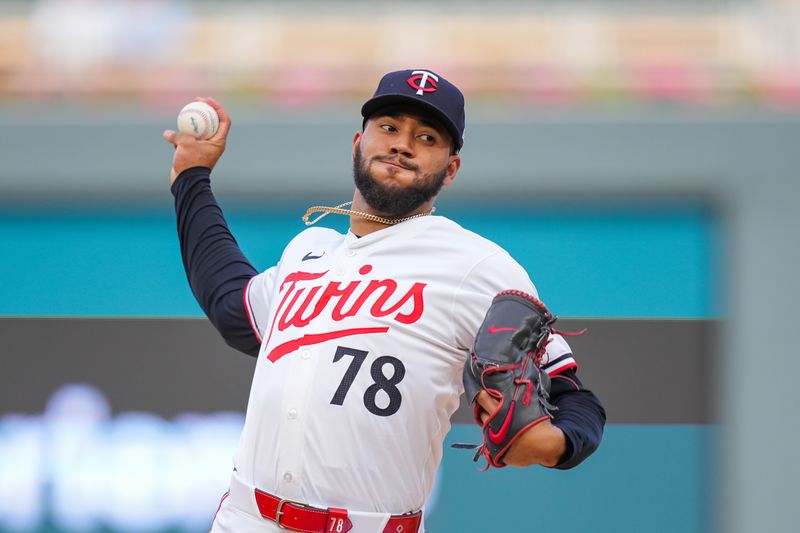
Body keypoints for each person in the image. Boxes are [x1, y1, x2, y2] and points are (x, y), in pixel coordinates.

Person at [162, 68, 605, 533]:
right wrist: (191, 177)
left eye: (427, 137)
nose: (402, 144)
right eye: (389, 127)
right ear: (358, 142)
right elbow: (233, 305)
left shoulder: (477, 266)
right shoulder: (308, 252)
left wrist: (557, 444)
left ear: (450, 169)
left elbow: (572, 393)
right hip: (244, 519)